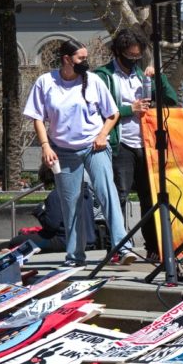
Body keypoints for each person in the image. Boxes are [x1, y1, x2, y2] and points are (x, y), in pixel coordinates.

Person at [23, 39, 132, 267]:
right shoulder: (46, 82)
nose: (86, 62)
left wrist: (102, 135)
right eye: (81, 58)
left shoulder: (93, 81)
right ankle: (75, 256)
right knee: (70, 202)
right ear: (66, 59)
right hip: (63, 151)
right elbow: (37, 118)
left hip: (94, 147)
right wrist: (45, 145)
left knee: (106, 193)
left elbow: (112, 114)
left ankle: (123, 248)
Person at [93, 26, 178, 262]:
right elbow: (98, 111)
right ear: (118, 53)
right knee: (119, 195)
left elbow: (171, 99)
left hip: (147, 144)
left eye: (137, 56)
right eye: (130, 57)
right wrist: (130, 109)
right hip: (121, 144)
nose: (134, 60)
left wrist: (157, 76)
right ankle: (119, 247)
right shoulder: (103, 76)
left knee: (149, 197)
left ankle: (153, 245)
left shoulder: (142, 75)